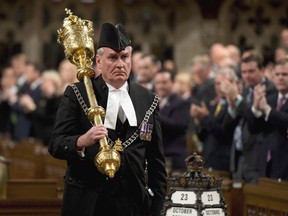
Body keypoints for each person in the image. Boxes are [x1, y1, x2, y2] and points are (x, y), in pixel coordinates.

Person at [49, 22, 167, 216]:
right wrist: (81, 141)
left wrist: (156, 206)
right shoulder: (77, 94)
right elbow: (55, 144)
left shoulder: (148, 99)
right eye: (112, 58)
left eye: (125, 57)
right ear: (99, 61)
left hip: (133, 203)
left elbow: (156, 160)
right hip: (88, 202)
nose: (120, 64)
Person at [248, 57, 288, 180]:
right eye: (277, 74)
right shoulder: (270, 98)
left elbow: (285, 121)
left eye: (285, 74)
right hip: (266, 164)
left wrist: (266, 110)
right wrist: (255, 106)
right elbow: (254, 128)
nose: (280, 78)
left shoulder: (267, 104)